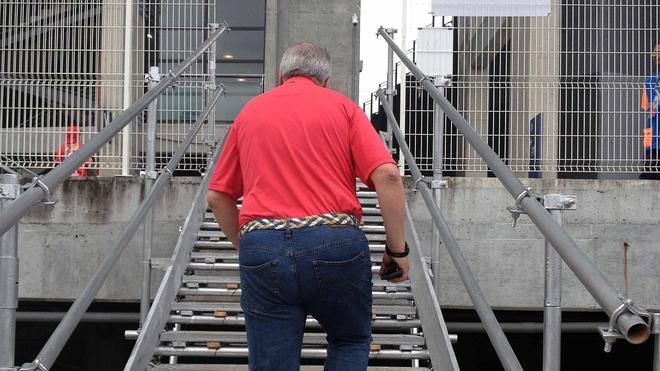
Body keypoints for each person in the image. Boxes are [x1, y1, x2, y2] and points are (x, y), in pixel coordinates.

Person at [207, 42, 409, 371]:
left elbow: (218, 196)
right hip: (334, 242)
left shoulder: (250, 113)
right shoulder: (342, 108)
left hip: (263, 244)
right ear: (325, 81)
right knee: (350, 339)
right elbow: (387, 176)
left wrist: (249, 247)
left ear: (280, 76)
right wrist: (397, 250)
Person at [640, 43, 660, 180]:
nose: (656, 55)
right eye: (655, 52)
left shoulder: (649, 81)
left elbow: (645, 105)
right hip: (653, 125)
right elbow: (645, 105)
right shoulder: (648, 81)